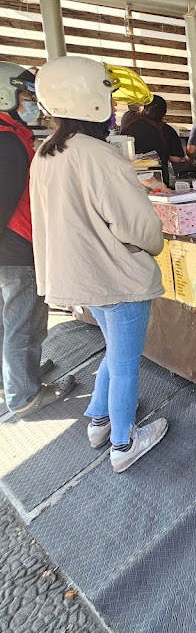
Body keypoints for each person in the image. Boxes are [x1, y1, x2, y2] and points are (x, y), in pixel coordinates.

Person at [30, 56, 168, 473]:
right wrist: (154, 242)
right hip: (117, 276)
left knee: (114, 353)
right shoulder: (100, 155)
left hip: (79, 275)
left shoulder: (46, 154)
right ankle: (124, 444)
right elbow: (139, 228)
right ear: (93, 100)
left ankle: (98, 419)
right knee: (126, 363)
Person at [0, 64, 74, 415]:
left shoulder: (11, 136)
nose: (33, 104)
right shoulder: (8, 143)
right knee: (24, 322)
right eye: (27, 97)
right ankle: (25, 395)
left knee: (10, 319)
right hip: (16, 248)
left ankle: (12, 379)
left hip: (12, 247)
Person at [120, 95, 185, 185]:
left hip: (132, 177)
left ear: (144, 107)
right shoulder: (167, 130)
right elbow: (176, 159)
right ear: (164, 112)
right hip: (158, 179)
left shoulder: (128, 119)